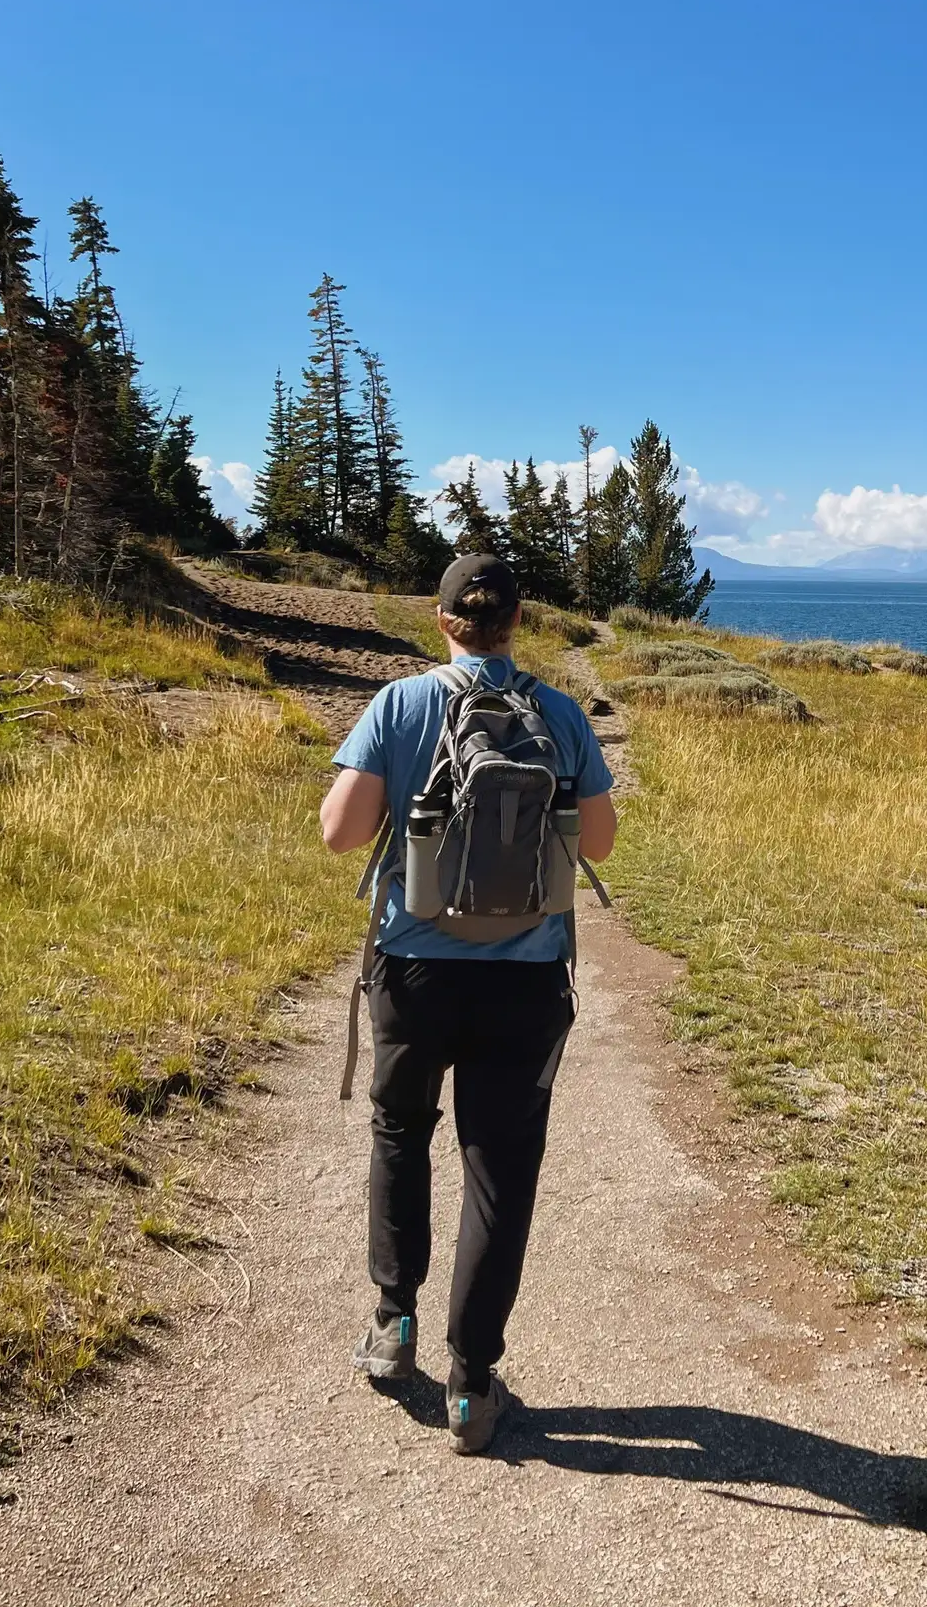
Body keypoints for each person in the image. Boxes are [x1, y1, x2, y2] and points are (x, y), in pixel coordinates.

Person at [320, 553, 616, 1454]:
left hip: (414, 971)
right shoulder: (558, 713)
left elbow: (338, 834)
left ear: (441, 619)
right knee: (499, 1170)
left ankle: (392, 1323)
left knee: (402, 1133)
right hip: (525, 980)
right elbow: (599, 840)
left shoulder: (400, 704)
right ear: (518, 620)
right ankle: (471, 1383)